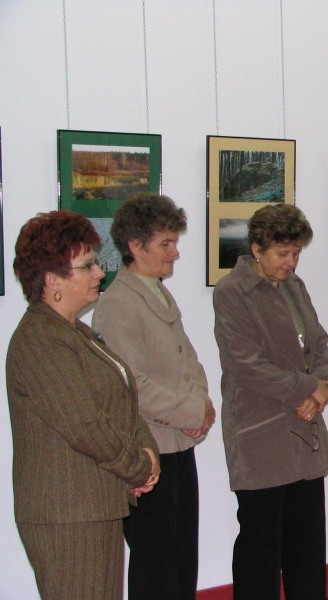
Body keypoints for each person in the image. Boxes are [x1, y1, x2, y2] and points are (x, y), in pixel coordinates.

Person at [6, 210, 160, 600]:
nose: (99, 273)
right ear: (52, 279)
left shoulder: (76, 332)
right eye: (87, 265)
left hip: (93, 505)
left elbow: (121, 400)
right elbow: (85, 426)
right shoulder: (40, 339)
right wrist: (138, 467)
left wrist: (148, 451)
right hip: (67, 514)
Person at [92, 193, 215, 599]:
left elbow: (189, 360)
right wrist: (193, 411)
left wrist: (201, 405)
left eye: (174, 242)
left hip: (178, 448)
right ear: (135, 246)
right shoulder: (117, 304)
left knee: (182, 562)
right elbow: (131, 385)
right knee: (156, 569)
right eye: (166, 243)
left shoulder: (158, 292)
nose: (176, 252)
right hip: (148, 455)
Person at [212, 203, 328, 600]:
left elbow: (318, 342)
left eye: (296, 253)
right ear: (256, 248)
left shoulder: (295, 285)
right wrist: (307, 387)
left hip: (304, 424)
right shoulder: (232, 292)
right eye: (282, 253)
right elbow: (245, 364)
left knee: (307, 545)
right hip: (258, 430)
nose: (291, 262)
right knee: (260, 547)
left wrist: (320, 385)